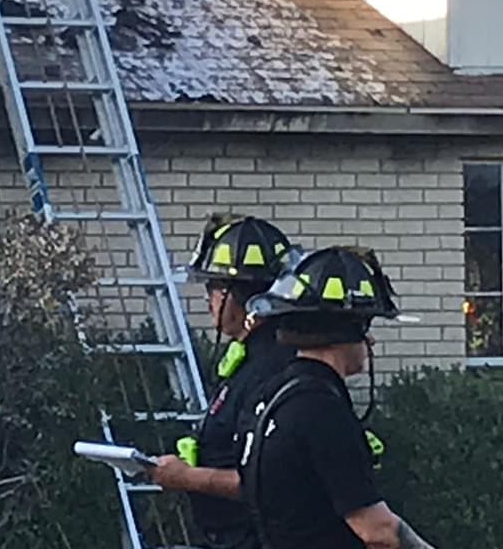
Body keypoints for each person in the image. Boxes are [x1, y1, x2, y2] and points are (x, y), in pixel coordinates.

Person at [236, 246, 437, 549]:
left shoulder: (271, 395)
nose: (370, 340)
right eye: (365, 325)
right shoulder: (322, 410)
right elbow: (377, 530)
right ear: (346, 329)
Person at [147, 214, 298, 549]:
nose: (208, 300)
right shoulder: (248, 362)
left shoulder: (273, 369)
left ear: (243, 296)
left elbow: (265, 480)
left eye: (213, 288)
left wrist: (187, 477)